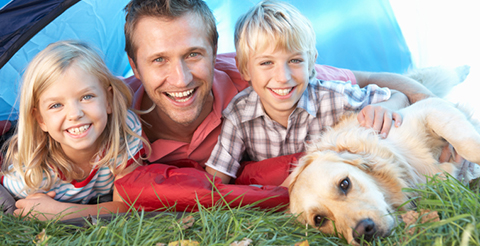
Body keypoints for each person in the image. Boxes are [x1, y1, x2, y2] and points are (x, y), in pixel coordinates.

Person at [123, 0, 434, 167]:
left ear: (214, 52)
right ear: (135, 66)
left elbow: (370, 79)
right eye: (159, 60)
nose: (181, 78)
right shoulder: (109, 109)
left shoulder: (262, 76)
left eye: (192, 55)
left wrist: (427, 106)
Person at [204, 0, 409, 184]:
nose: (283, 76)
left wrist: (386, 107)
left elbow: (398, 96)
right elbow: (216, 179)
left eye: (295, 61)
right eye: (267, 63)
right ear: (245, 69)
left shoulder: (332, 98)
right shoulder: (239, 115)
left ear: (311, 63)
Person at [0, 40, 149, 220]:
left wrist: (59, 212)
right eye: (56, 105)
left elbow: (127, 206)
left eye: (87, 97)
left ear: (108, 99)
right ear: (40, 119)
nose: (75, 114)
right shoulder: (29, 174)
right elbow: (23, 208)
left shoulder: (124, 132)